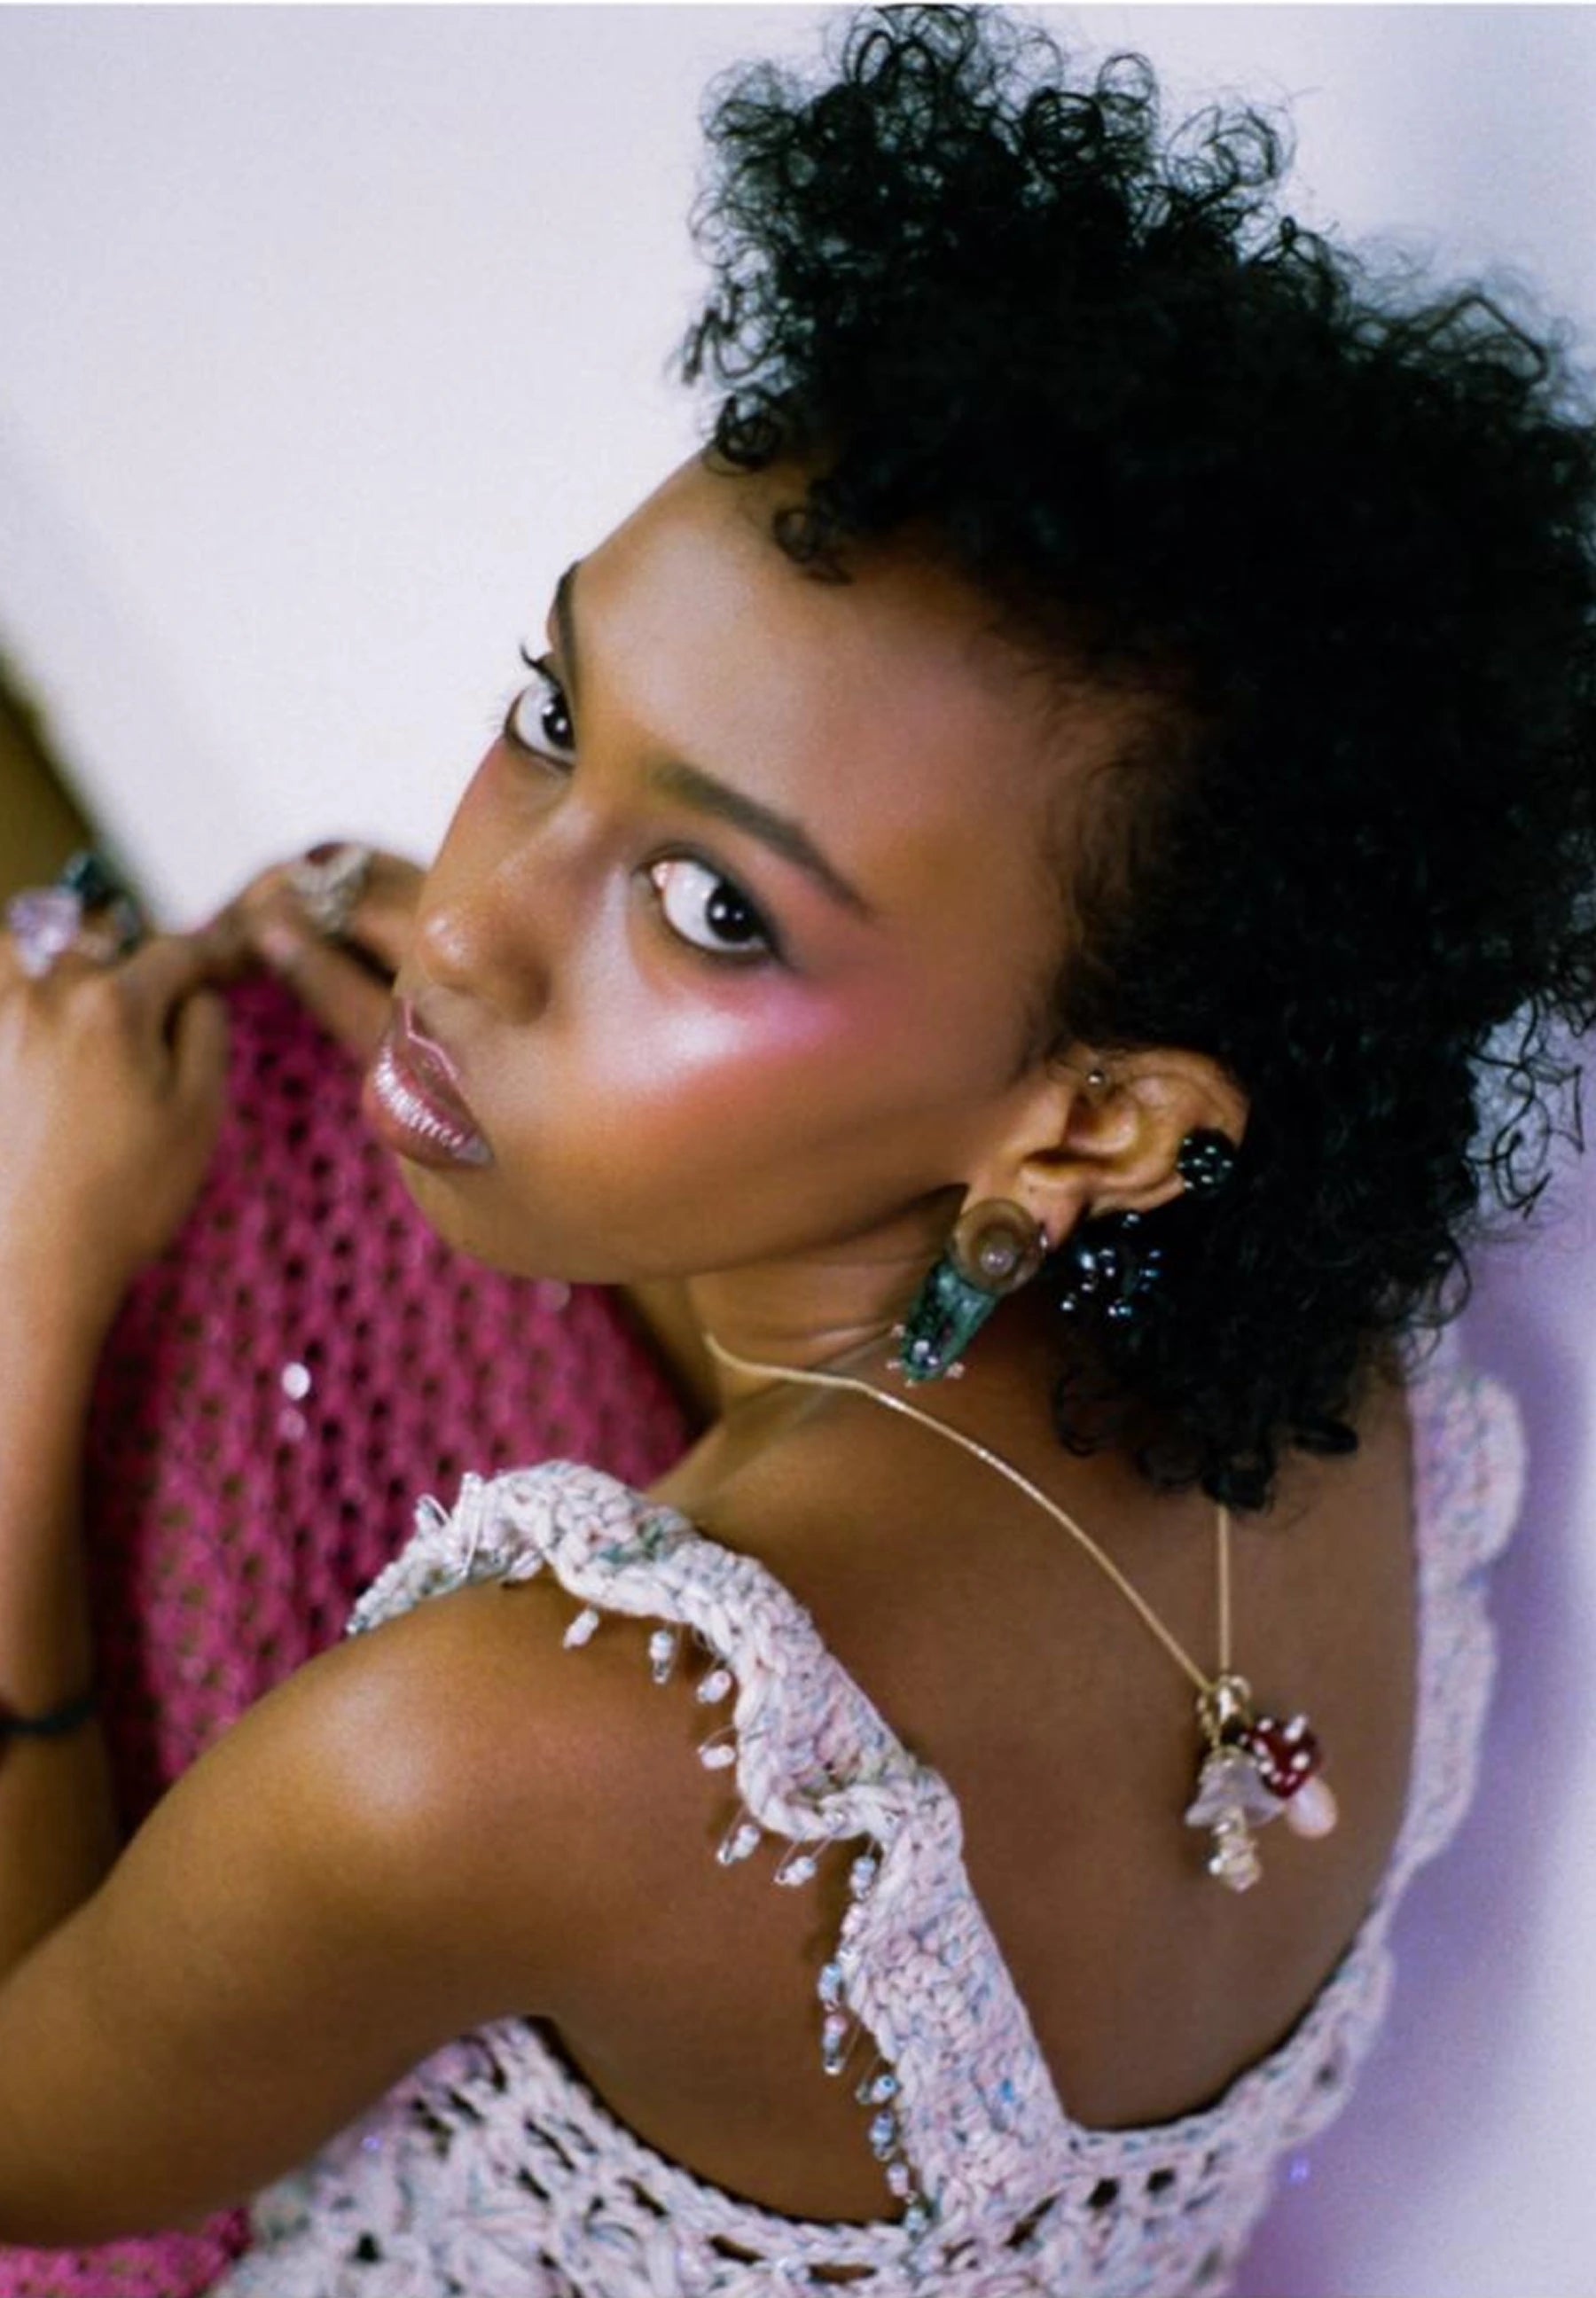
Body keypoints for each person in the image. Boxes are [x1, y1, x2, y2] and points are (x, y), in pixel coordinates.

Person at [0, 6, 1588, 2290]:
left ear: (1102, 1119)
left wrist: (34, 1295)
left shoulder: (504, 1743)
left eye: (716, 906)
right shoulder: (1337, 1399)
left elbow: (33, 2154)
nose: (463, 918)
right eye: (558, 720)